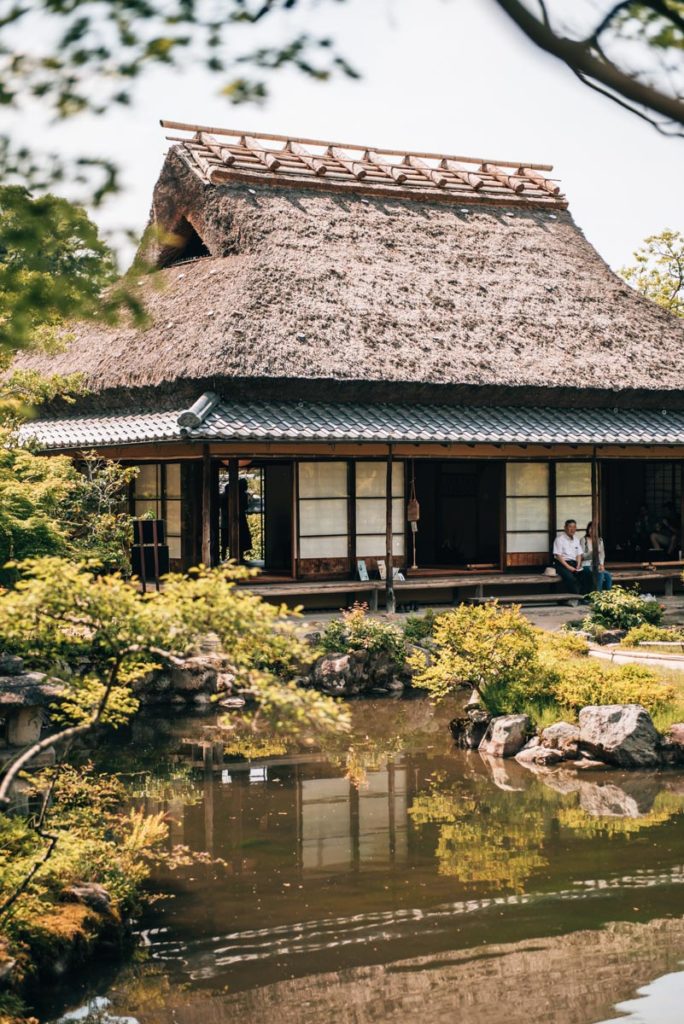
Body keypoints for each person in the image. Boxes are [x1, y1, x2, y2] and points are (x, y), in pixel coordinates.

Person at [552, 519, 588, 594]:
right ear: (565, 528)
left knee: (587, 575)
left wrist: (578, 565)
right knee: (571, 578)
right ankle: (576, 597)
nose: (572, 529)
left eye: (574, 527)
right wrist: (569, 567)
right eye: (570, 527)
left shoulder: (576, 539)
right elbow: (558, 556)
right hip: (562, 564)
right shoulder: (559, 539)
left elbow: (579, 554)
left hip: (574, 564)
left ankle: (584, 597)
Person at [581, 521, 612, 591]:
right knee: (600, 574)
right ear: (588, 529)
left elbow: (602, 554)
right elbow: (582, 556)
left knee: (608, 576)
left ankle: (608, 596)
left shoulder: (600, 540)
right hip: (586, 565)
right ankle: (598, 596)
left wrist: (601, 564)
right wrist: (592, 553)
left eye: (594, 529)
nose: (592, 530)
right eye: (590, 528)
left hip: (597, 565)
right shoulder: (584, 540)